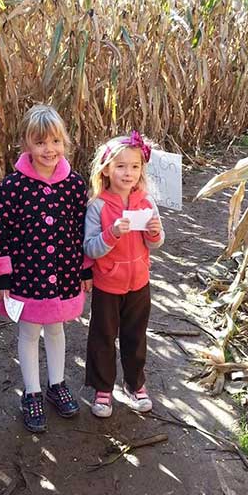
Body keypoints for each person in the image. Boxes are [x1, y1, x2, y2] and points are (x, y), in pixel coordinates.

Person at [0, 104, 92, 433]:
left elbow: (82, 229)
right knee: (30, 332)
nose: (49, 150)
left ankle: (57, 384)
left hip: (63, 271)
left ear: (65, 143)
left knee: (58, 328)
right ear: (27, 145)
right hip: (26, 274)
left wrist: (85, 270)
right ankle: (31, 392)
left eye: (56, 142)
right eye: (41, 142)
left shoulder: (74, 185)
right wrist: (1, 275)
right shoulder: (13, 186)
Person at [84, 131, 164, 418]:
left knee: (135, 336)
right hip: (108, 283)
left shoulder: (146, 202)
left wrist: (154, 234)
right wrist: (112, 233)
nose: (128, 172)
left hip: (139, 283)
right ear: (106, 169)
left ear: (142, 169)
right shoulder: (98, 206)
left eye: (134, 166)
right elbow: (90, 248)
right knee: (103, 336)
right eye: (121, 166)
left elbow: (156, 241)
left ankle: (135, 384)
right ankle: (103, 389)